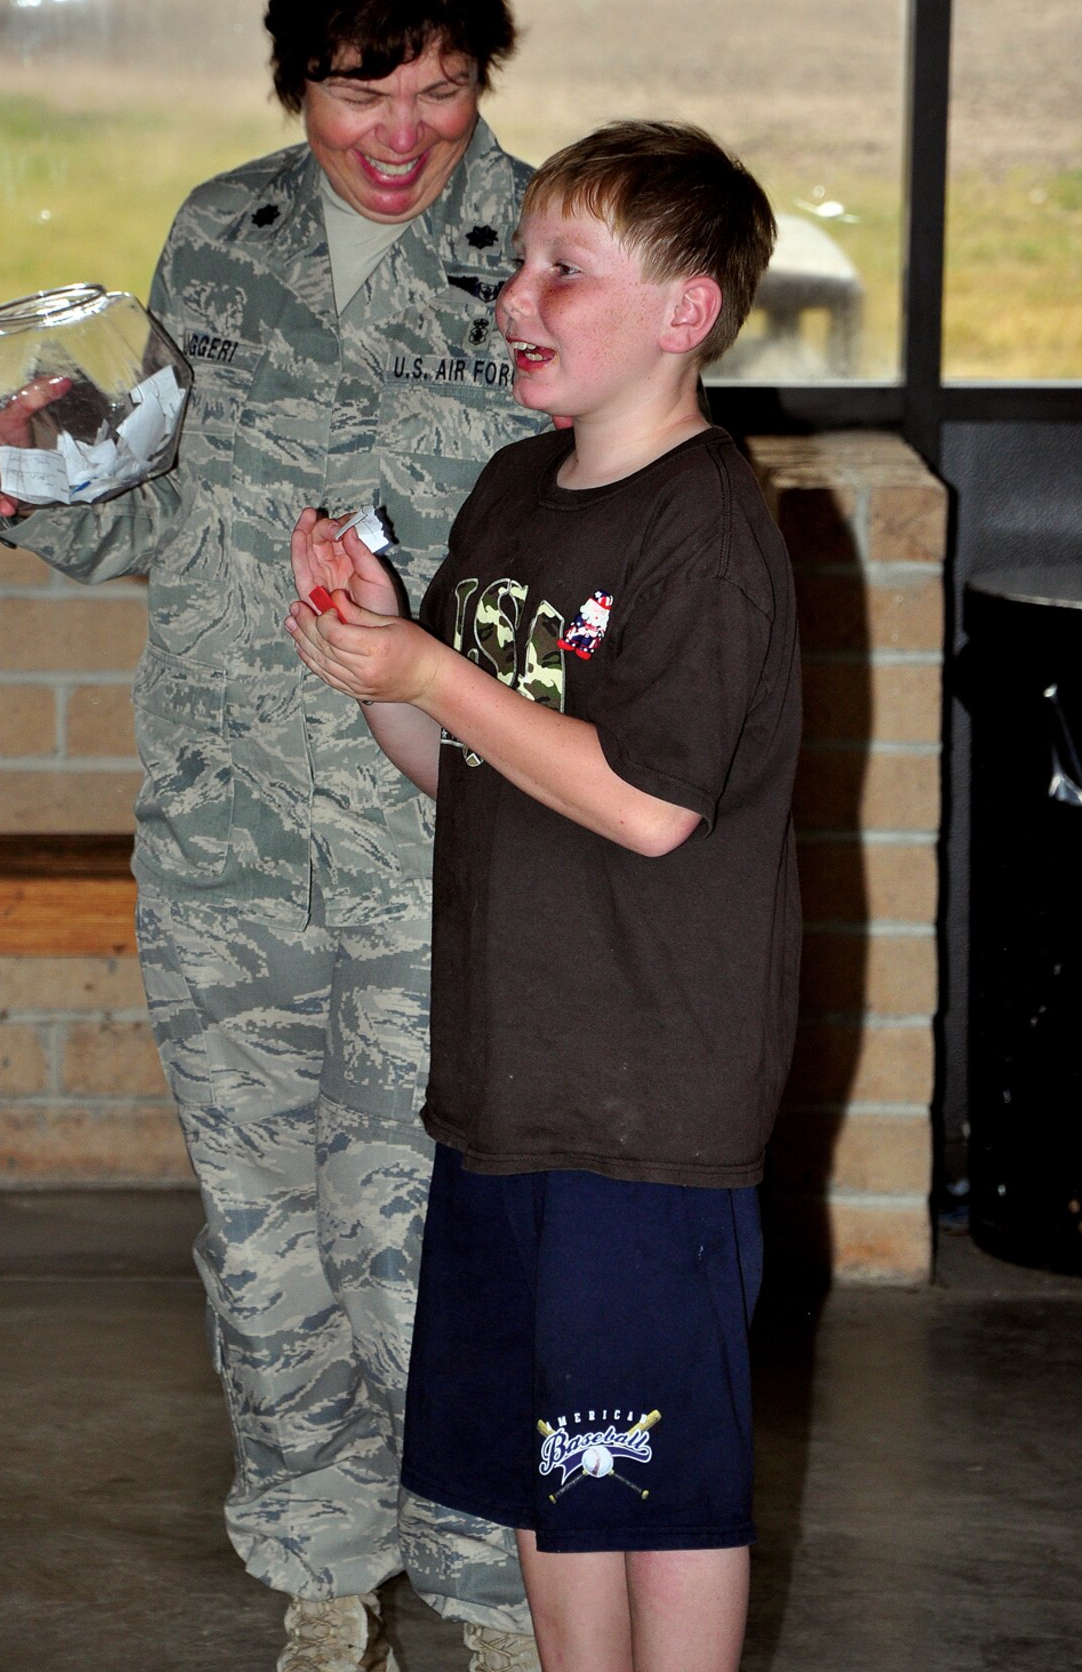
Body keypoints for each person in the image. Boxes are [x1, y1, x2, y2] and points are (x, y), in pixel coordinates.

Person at [0, 0, 547, 1671]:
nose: (403, 132)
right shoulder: (219, 239)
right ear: (299, 79)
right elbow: (168, 529)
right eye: (364, 89)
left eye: (442, 87)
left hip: (439, 831)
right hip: (218, 832)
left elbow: (610, 549)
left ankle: (496, 1586)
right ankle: (318, 1567)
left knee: (426, 1240)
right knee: (262, 1239)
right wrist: (28, 492)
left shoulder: (551, 249)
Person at [286, 119, 802, 1672]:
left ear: (684, 311)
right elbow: (472, 767)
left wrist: (432, 667)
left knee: (655, 1482)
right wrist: (375, 650)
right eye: (521, 264)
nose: (519, 295)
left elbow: (648, 805)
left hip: (650, 1114)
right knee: (554, 1478)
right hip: (511, 1097)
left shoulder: (707, 529)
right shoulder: (517, 493)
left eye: (566, 269)